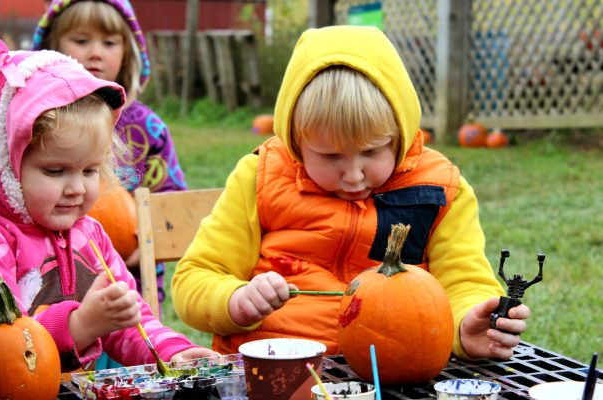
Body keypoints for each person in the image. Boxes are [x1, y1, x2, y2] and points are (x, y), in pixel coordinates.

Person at [171, 26, 530, 361]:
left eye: (372, 151)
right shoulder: (260, 177)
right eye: (330, 156)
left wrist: (467, 324)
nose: (354, 174)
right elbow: (196, 278)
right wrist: (234, 301)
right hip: (277, 369)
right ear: (297, 141)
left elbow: (463, 281)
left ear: (399, 134)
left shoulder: (438, 191)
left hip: (394, 372)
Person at [0, 37, 215, 396]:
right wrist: (81, 325)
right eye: (55, 171)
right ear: (4, 167)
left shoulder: (90, 236)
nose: (77, 189)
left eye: (89, 171)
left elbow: (128, 323)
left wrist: (174, 353)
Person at [32, 0, 187, 313]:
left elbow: (171, 201)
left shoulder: (148, 128)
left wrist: (146, 241)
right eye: (81, 40)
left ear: (128, 51)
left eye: (109, 42)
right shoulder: (37, 121)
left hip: (128, 285)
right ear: (51, 48)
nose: (96, 52)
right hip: (52, 285)